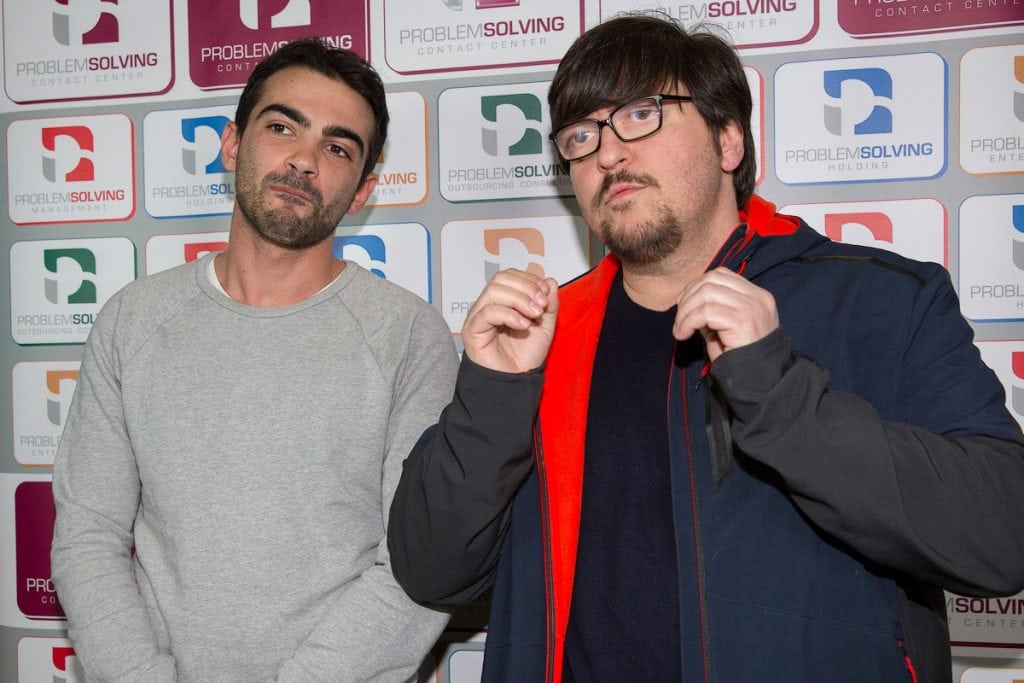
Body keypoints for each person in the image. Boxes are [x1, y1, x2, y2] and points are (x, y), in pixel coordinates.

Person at [387, 14, 1024, 682]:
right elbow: (431, 569)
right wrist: (493, 396)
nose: (607, 154)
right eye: (581, 135)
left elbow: (1003, 535)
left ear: (728, 140)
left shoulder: (880, 300)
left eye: (641, 114)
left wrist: (781, 397)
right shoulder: (541, 333)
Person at [50, 39, 458, 681]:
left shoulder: (409, 336)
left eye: (337, 147)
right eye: (281, 128)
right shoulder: (133, 320)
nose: (303, 161)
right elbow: (89, 532)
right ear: (233, 144)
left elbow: (417, 563)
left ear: (362, 190)